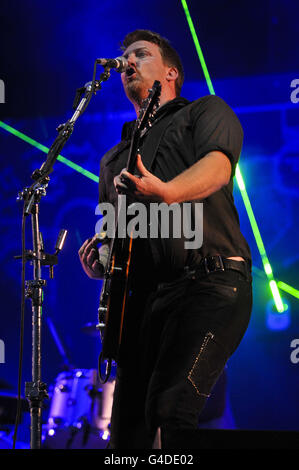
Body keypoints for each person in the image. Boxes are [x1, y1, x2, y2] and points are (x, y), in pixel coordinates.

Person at [78, 29, 252, 449]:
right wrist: (100, 259)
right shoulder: (113, 159)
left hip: (209, 285)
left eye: (142, 54)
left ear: (171, 72)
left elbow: (218, 167)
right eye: (125, 57)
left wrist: (168, 191)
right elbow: (115, 237)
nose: (128, 63)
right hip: (143, 305)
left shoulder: (204, 112)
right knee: (126, 436)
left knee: (172, 408)